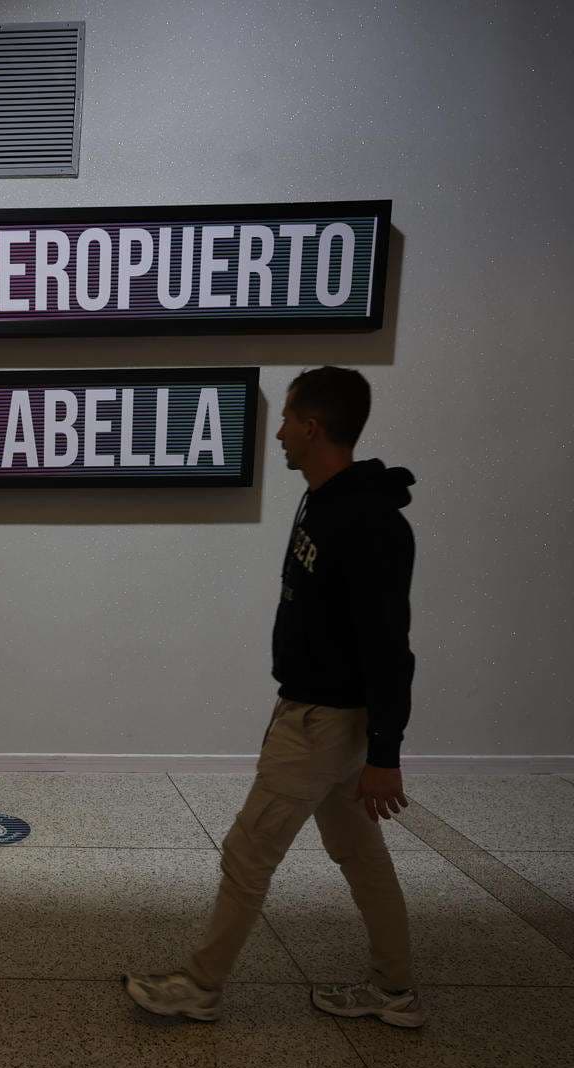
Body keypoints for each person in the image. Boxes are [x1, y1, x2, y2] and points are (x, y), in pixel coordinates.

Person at [126, 366, 424, 1028]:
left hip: (322, 725)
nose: (280, 432)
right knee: (361, 854)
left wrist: (385, 752)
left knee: (248, 853)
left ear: (313, 427)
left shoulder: (369, 524)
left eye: (288, 418)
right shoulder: (323, 500)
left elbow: (389, 648)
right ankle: (394, 988)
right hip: (319, 716)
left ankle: (199, 986)